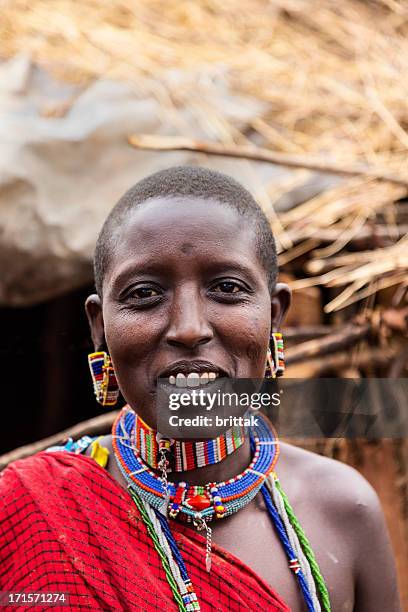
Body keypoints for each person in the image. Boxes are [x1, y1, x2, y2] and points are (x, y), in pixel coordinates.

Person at [0, 166, 401, 612]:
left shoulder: (344, 510)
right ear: (99, 327)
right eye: (145, 293)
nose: (189, 329)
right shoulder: (24, 511)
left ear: (274, 317)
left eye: (227, 288)